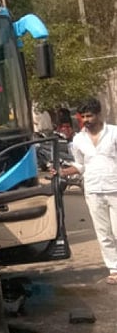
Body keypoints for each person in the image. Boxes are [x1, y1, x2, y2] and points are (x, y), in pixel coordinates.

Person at [59, 98, 117, 284]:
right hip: (93, 190)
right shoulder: (78, 139)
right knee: (103, 232)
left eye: (89, 115)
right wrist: (62, 172)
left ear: (99, 115)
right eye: (83, 116)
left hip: (114, 187)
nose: (86, 120)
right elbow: (80, 165)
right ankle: (114, 268)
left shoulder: (114, 133)